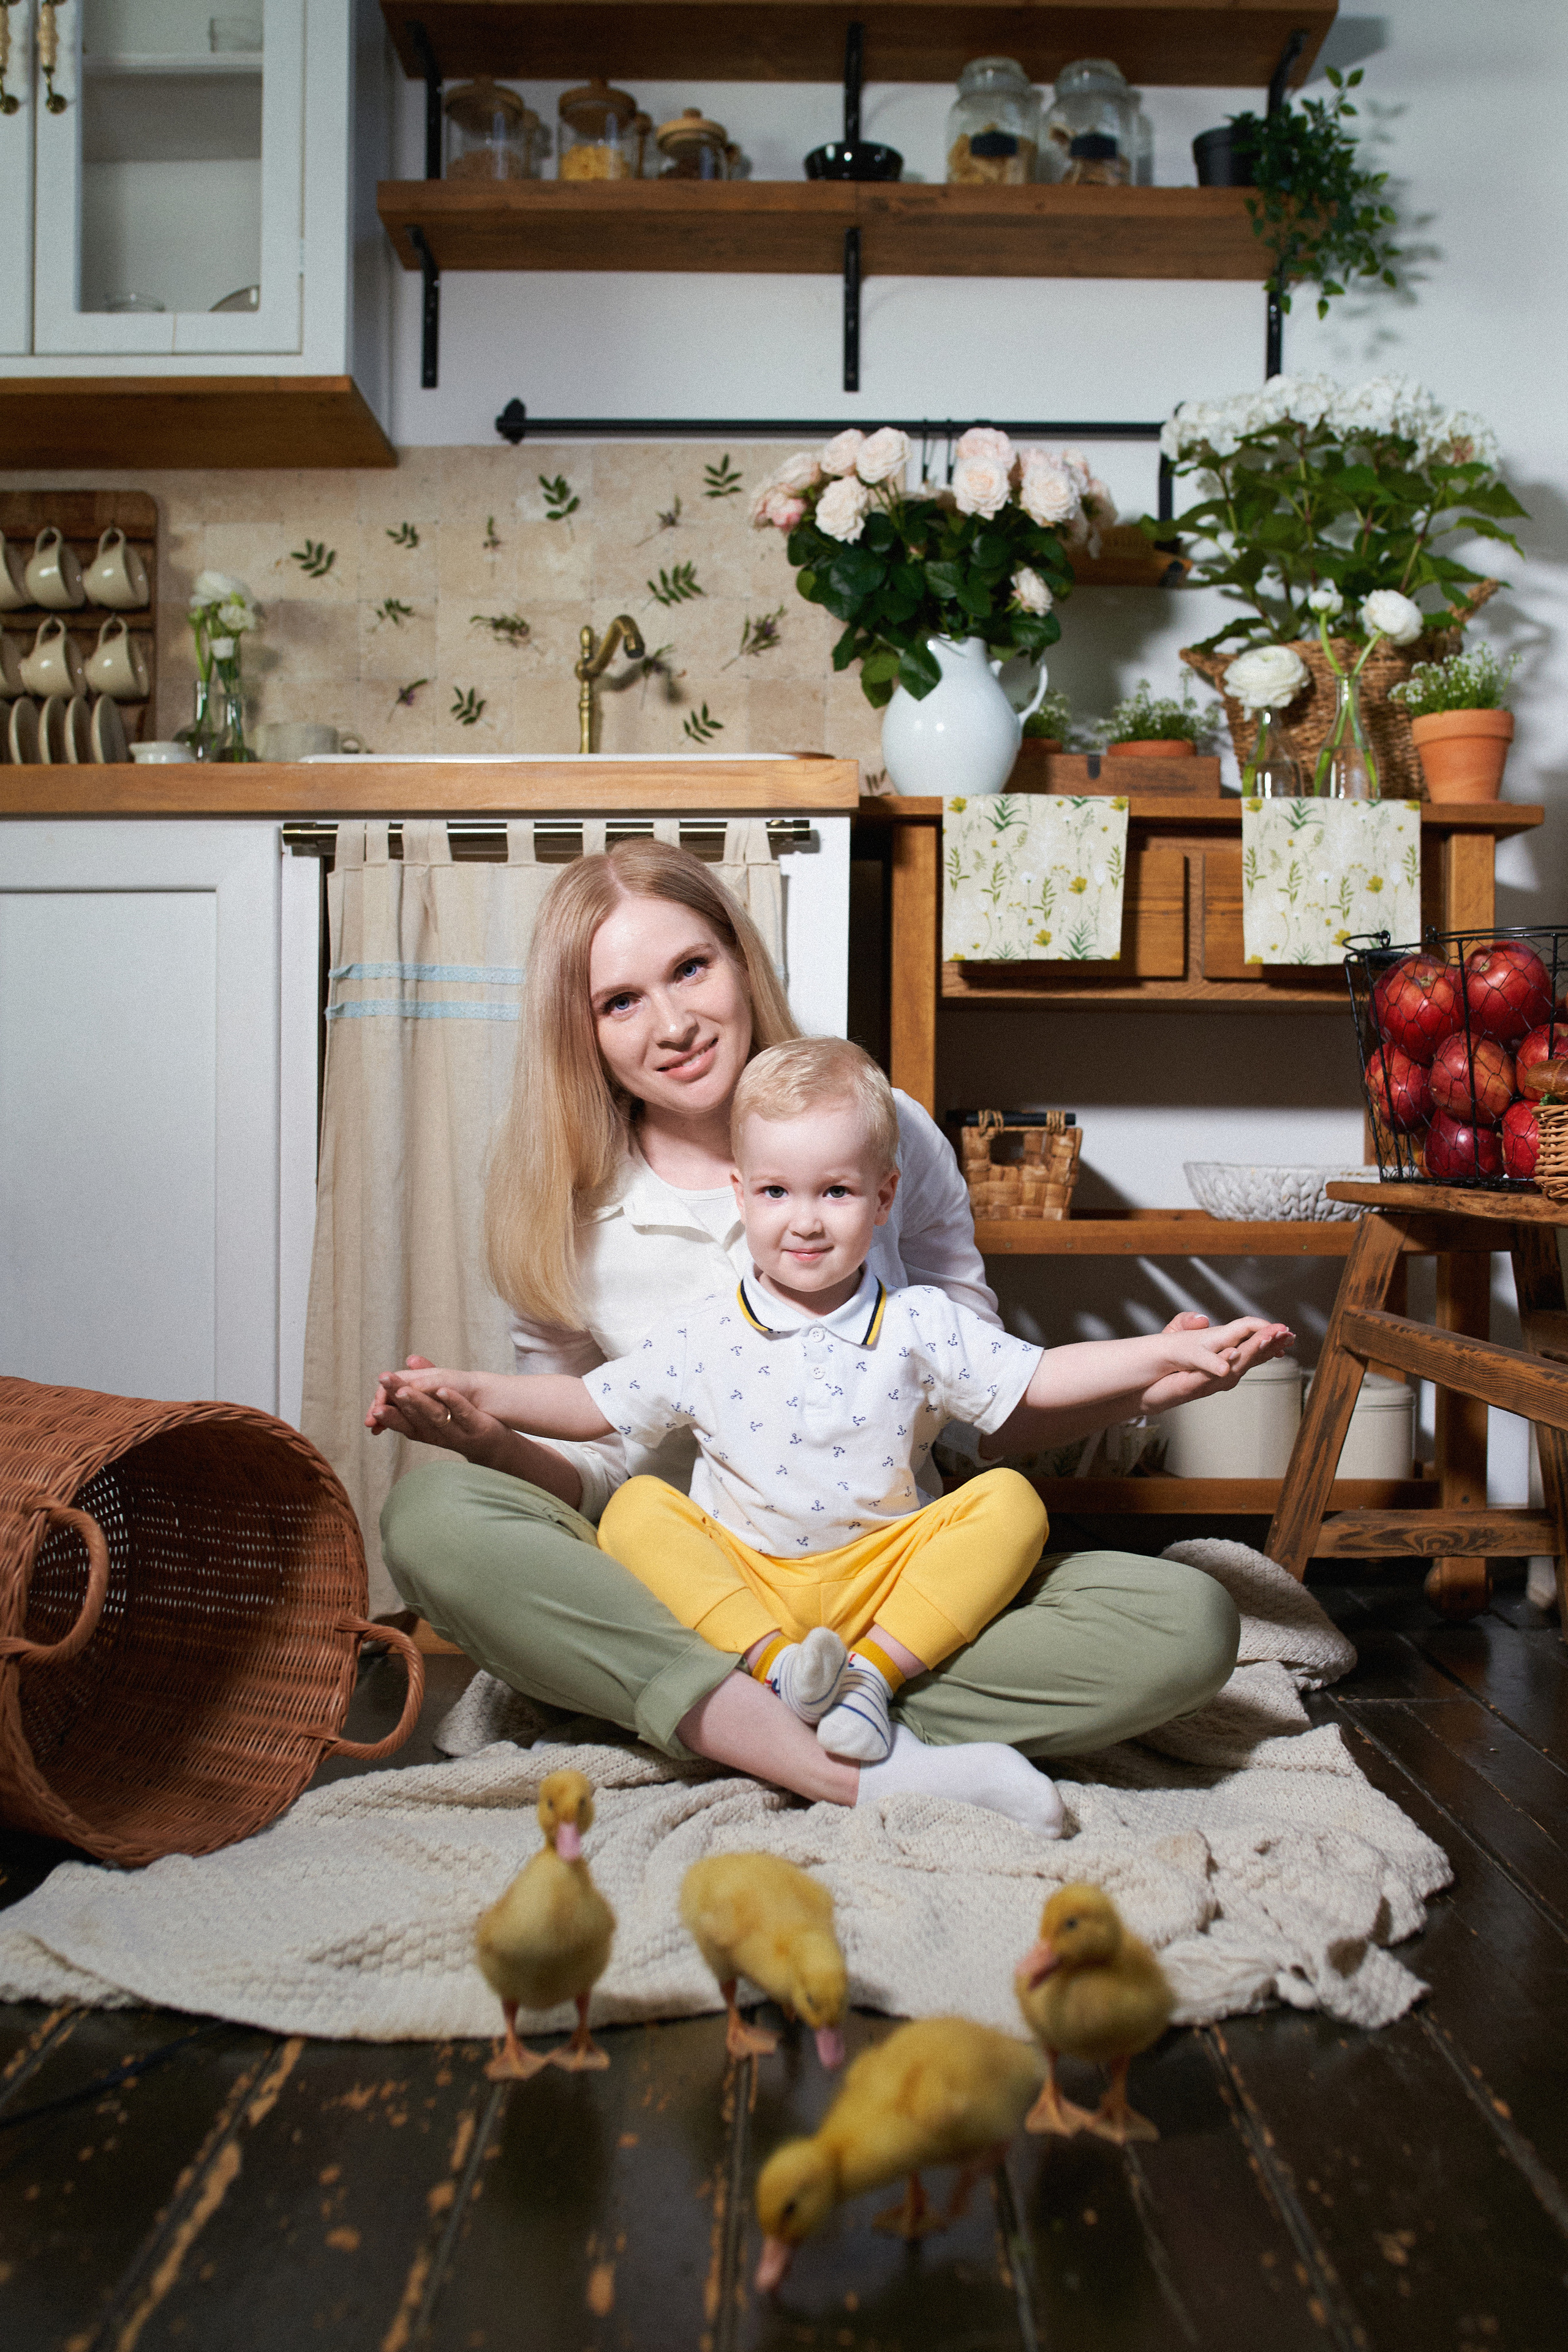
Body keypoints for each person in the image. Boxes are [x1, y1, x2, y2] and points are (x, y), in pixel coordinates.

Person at [372, 838, 1268, 1830]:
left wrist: (1141, 1379)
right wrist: (487, 1438)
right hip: (694, 1586)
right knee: (432, 1515)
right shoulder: (567, 1206)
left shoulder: (889, 1132)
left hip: (888, 1573)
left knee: (1188, 1622)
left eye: (689, 969)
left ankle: (717, 1711)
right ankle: (851, 1761)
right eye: (620, 1001)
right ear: (579, 1031)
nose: (671, 1024)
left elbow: (987, 1409)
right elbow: (598, 1467)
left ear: (739, 960)